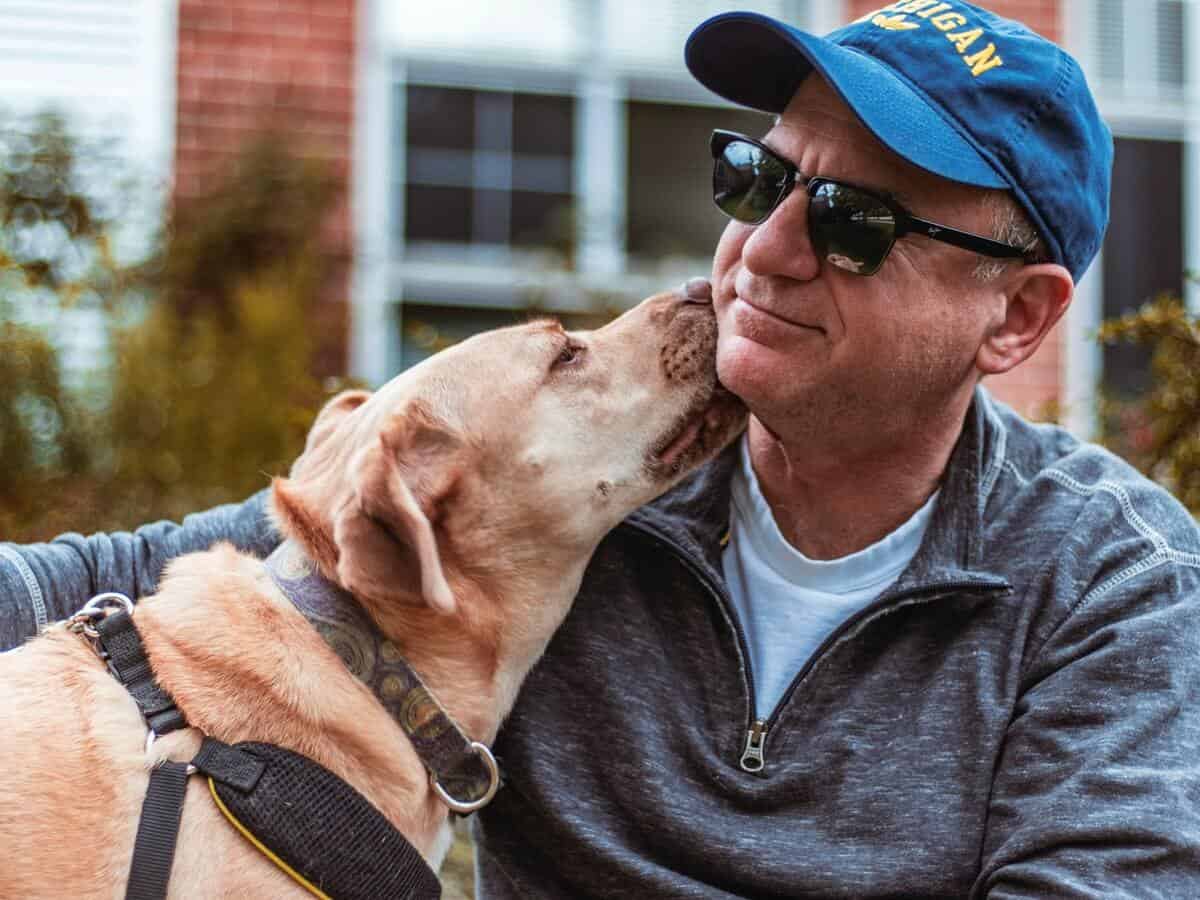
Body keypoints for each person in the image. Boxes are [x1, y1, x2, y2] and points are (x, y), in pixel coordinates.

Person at [3, 1, 1199, 896]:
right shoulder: (572, 490)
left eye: (851, 220)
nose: (761, 252)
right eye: (759, 178)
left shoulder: (1110, 588)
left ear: (1021, 317)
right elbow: (127, 588)